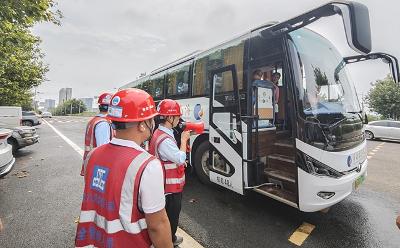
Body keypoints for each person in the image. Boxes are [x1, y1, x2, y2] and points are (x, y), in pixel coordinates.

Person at [75, 89, 173, 248]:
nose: (153, 124)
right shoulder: (148, 165)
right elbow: (157, 226)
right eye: (151, 119)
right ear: (142, 125)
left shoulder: (92, 155)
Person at [149, 99, 190, 247]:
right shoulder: (165, 138)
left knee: (169, 214)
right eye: (177, 116)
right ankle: (169, 240)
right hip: (170, 188)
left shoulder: (161, 132)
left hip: (166, 185)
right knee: (171, 216)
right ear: (169, 118)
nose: (179, 119)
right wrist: (184, 140)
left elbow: (169, 157)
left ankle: (169, 237)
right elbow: (179, 157)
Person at [80, 92, 113, 176]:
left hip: (91, 161)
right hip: (99, 166)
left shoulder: (94, 121)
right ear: (111, 108)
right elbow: (103, 149)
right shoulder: (103, 123)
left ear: (99, 107)